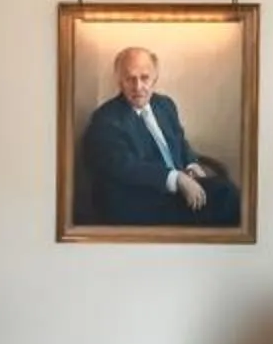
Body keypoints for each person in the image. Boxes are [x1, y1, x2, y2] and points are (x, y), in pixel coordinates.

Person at [78, 47, 244, 227]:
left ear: (155, 78)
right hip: (141, 200)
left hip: (177, 190)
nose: (138, 86)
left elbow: (180, 141)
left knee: (228, 194)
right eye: (130, 79)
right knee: (226, 200)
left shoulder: (164, 105)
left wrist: (191, 165)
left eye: (145, 78)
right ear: (119, 81)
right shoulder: (106, 119)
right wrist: (176, 178)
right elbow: (126, 167)